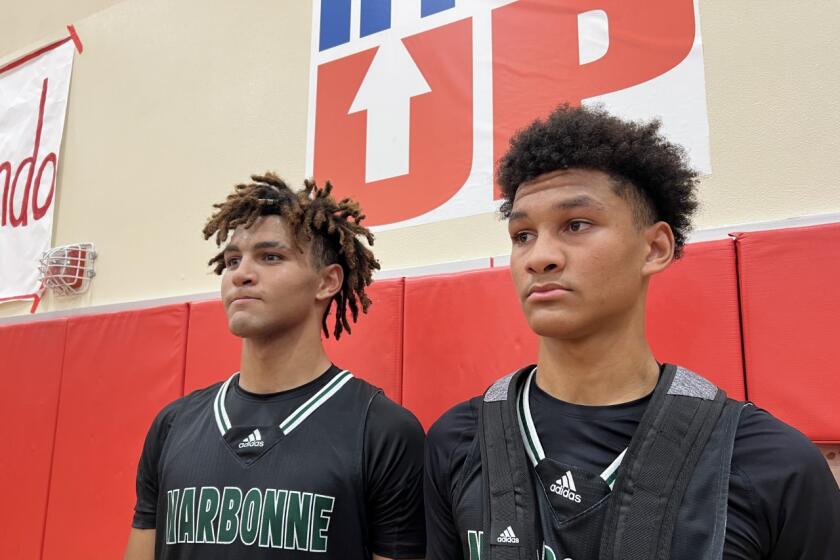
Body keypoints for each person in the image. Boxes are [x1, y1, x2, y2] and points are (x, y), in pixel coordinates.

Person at [424, 105, 840, 559]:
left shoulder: (773, 463)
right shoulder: (457, 439)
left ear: (655, 248)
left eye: (576, 225)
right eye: (522, 234)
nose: (538, 257)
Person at [125, 173, 426, 559]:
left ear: (326, 282)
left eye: (271, 257)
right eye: (233, 259)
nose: (240, 273)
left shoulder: (383, 430)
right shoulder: (172, 425)